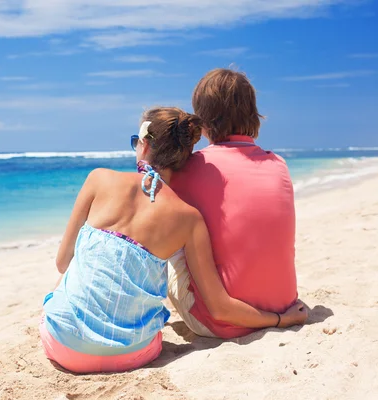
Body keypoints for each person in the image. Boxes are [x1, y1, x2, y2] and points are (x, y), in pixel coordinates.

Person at [40, 107, 307, 374]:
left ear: (144, 143)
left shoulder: (99, 179)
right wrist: (281, 319)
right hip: (135, 353)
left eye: (136, 141)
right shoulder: (189, 218)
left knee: (74, 269)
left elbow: (63, 263)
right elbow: (220, 307)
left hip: (65, 346)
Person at [167, 68, 299, 339]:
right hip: (284, 304)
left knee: (166, 229)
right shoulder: (279, 164)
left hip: (223, 322)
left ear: (201, 118)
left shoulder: (191, 167)